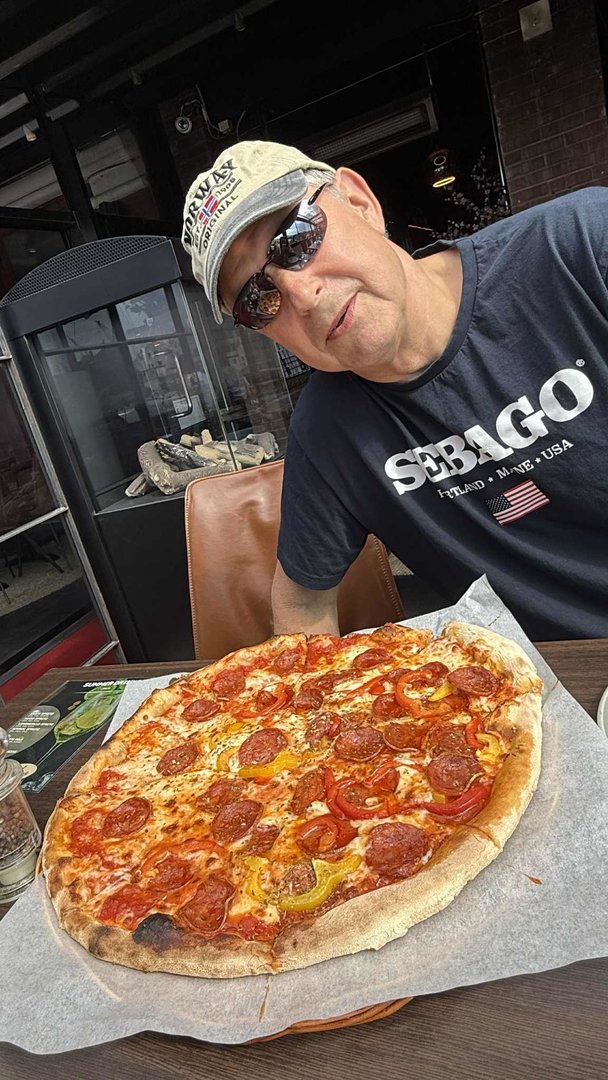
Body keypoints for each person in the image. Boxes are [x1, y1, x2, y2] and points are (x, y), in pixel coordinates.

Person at [182, 141, 608, 641]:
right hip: (517, 681)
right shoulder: (327, 430)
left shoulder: (582, 245)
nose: (301, 295)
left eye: (295, 239)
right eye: (258, 299)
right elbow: (301, 603)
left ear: (360, 203)